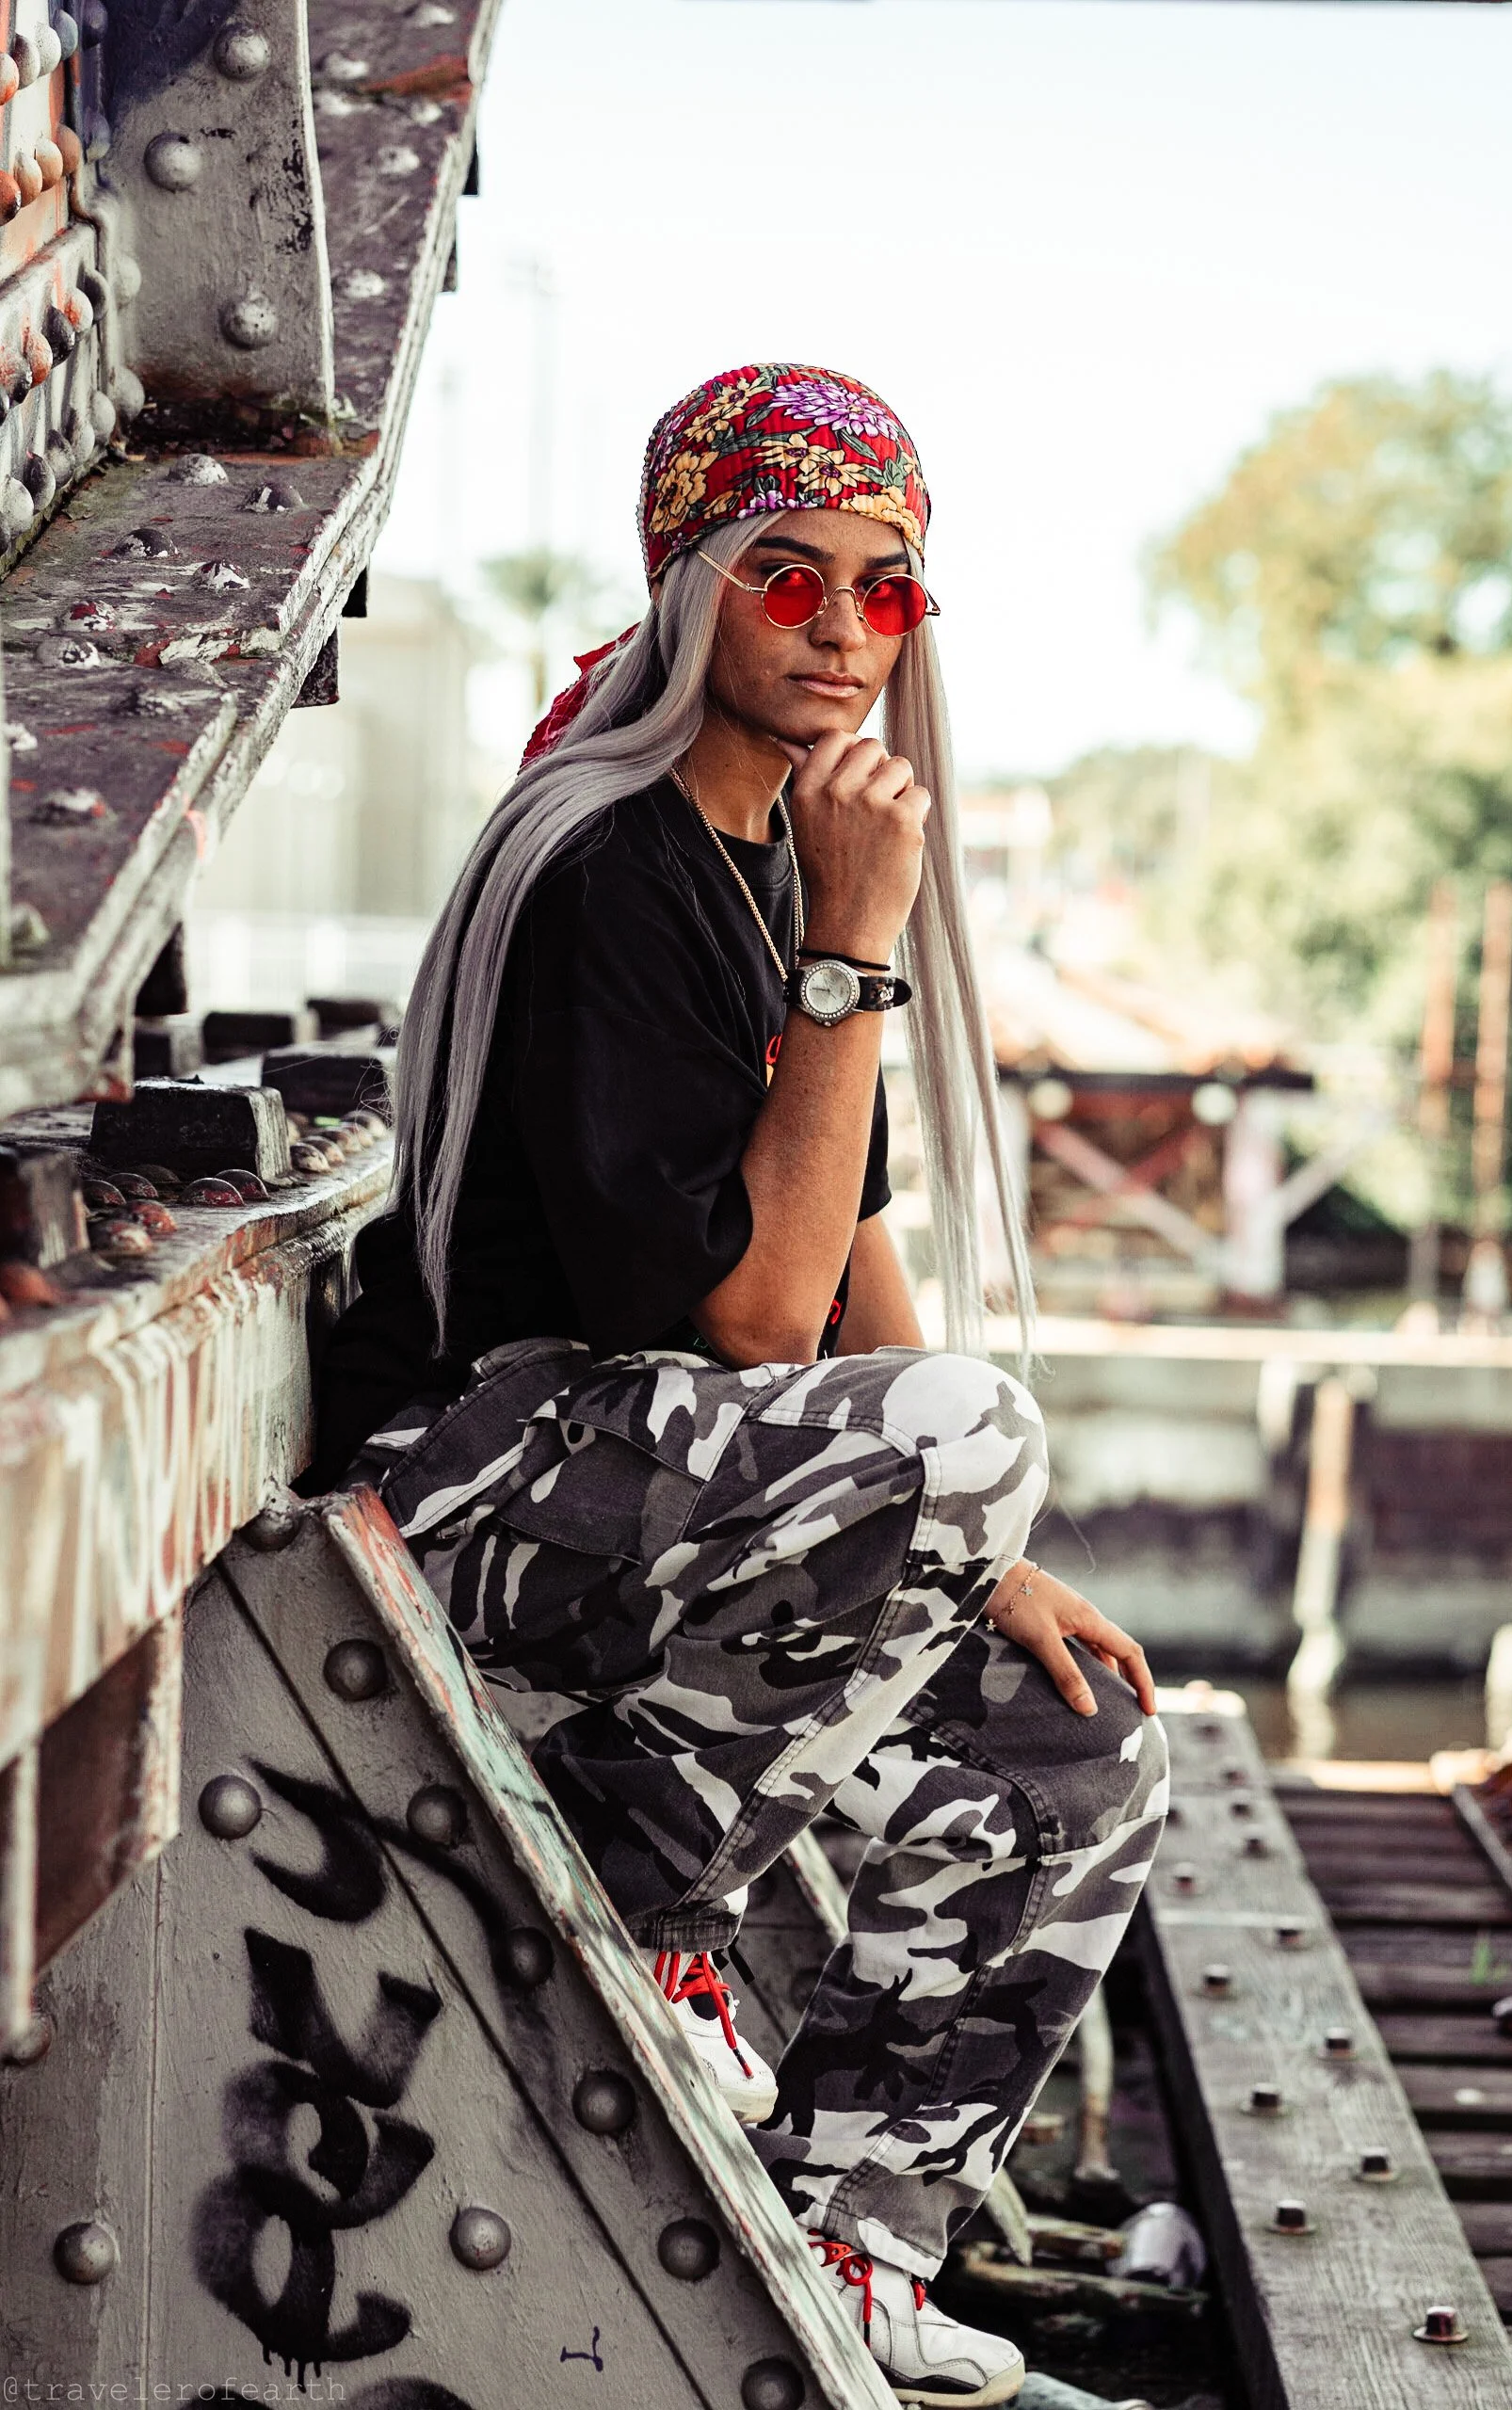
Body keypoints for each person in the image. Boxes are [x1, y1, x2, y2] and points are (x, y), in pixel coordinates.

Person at [309, 363, 1168, 2410]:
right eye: (790, 578)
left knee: (1077, 1743)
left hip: (673, 1503)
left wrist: (992, 1569)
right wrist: (860, 948)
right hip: (485, 1476)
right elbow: (764, 1329)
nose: (841, 633)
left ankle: (858, 2240)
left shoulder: (773, 857)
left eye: (885, 593)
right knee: (970, 1420)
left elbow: (853, 1244)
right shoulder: (611, 860)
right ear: (693, 584)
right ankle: (616, 1914)